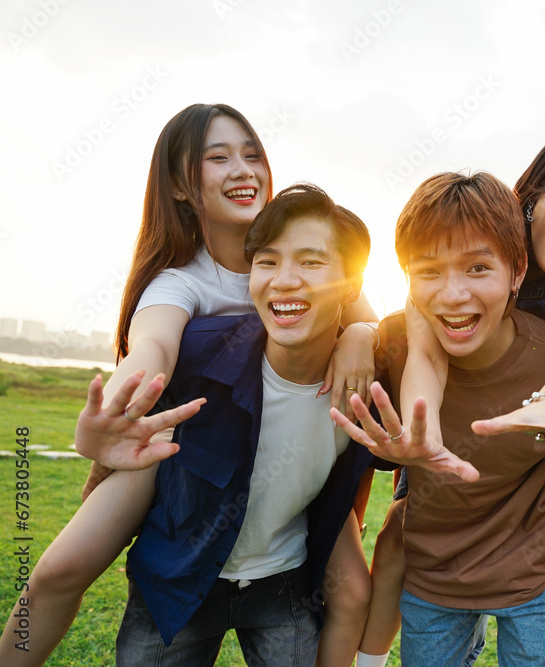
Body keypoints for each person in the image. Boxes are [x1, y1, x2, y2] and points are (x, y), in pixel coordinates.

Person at [0, 104, 378, 667]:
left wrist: (360, 336)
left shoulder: (298, 249)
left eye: (252, 154)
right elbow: (151, 347)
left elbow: (369, 317)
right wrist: (121, 405)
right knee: (58, 571)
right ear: (179, 185)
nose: (243, 170)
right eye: (218, 158)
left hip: (285, 440)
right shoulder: (181, 281)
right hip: (181, 440)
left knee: (351, 589)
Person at [332, 171, 545, 666]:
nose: (453, 294)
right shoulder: (401, 348)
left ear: (518, 272)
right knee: (392, 543)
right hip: (435, 578)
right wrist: (358, 334)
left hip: (533, 579)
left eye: (477, 268)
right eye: (429, 271)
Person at [114, 182, 380, 665]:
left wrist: (366, 331)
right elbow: (132, 424)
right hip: (180, 582)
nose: (285, 280)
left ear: (352, 284)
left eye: (311, 262)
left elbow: (419, 326)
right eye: (267, 261)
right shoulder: (198, 354)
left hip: (284, 584)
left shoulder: (372, 382)